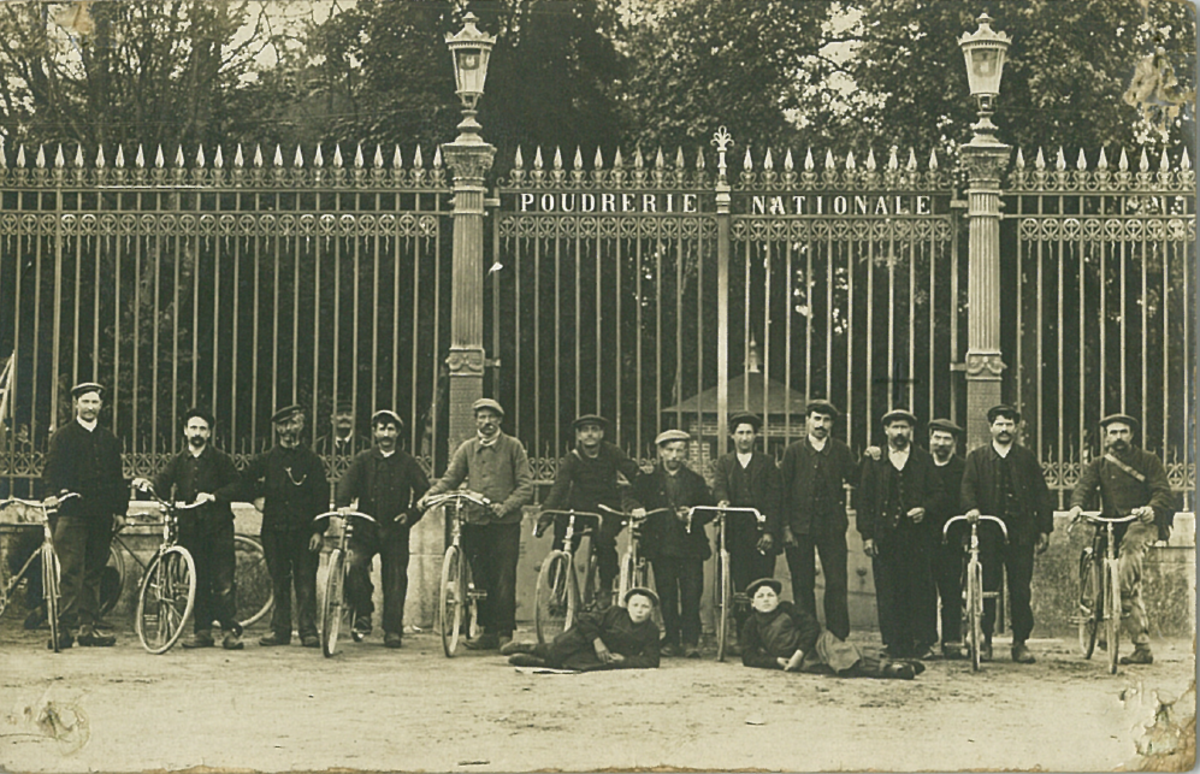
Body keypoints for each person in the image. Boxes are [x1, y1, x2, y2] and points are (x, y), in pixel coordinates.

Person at [419, 398, 534, 650]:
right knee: (480, 579)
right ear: (476, 421)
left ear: (499, 420)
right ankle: (488, 631)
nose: (486, 422)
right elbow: (451, 477)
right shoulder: (467, 448)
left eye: (491, 417)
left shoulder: (513, 447)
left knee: (504, 576)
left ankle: (505, 632)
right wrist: (430, 495)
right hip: (475, 521)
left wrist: (505, 506)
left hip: (505, 524)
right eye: (481, 417)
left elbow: (526, 486)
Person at [1068, 413, 1175, 665]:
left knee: (1128, 572)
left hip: (1141, 524)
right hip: (1112, 525)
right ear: (1106, 437)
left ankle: (1124, 608)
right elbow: (1084, 487)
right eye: (1113, 433)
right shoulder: (1099, 464)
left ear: (1132, 435)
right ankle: (1127, 636)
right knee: (1104, 568)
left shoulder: (1148, 460)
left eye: (1123, 432)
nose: (1118, 438)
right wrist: (1075, 506)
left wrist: (1152, 508)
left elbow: (1162, 491)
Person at [219, 405, 329, 648]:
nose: (288, 430)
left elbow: (322, 497)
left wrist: (319, 530)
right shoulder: (267, 459)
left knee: (305, 580)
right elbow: (241, 481)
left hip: (304, 532)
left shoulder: (312, 461)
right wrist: (255, 497)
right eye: (283, 425)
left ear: (302, 426)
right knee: (279, 580)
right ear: (277, 429)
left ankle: (308, 630)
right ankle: (280, 630)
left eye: (293, 423)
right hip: (274, 531)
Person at [132, 408, 243, 650]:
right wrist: (148, 484)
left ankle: (228, 630)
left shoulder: (220, 459)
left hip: (219, 527)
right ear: (185, 431)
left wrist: (214, 496)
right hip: (191, 528)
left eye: (202, 429)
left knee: (223, 581)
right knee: (198, 580)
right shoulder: (179, 461)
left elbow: (238, 486)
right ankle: (202, 631)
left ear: (209, 433)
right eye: (193, 428)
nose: (197, 433)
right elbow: (162, 482)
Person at [960, 404, 1054, 664]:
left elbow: (1041, 495)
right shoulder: (977, 458)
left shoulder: (1026, 458)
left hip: (1021, 534)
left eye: (1009, 424)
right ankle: (985, 640)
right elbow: (967, 488)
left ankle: (1020, 642)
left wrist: (1044, 529)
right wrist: (972, 509)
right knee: (987, 588)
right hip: (988, 533)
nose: (1004, 429)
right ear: (991, 427)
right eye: (999, 424)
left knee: (1020, 589)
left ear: (1016, 428)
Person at [41, 382, 127, 649]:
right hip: (72, 513)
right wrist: (54, 494)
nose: (90, 407)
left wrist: (120, 511)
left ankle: (88, 628)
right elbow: (51, 471)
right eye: (85, 401)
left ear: (101, 406)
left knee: (94, 572)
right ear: (76, 404)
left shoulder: (109, 439)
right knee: (71, 572)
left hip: (101, 515)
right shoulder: (63, 436)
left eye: (95, 402)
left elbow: (117, 478)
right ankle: (65, 628)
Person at [335, 409, 430, 648]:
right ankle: (364, 612)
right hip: (364, 529)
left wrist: (409, 516)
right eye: (381, 428)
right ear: (375, 432)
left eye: (390, 429)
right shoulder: (363, 459)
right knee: (354, 566)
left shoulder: (408, 462)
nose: (386, 434)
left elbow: (424, 495)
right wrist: (343, 505)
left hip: (395, 531)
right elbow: (346, 485)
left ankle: (392, 630)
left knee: (395, 578)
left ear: (398, 432)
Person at [856, 410, 942, 659]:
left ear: (911, 431)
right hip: (885, 536)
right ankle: (893, 643)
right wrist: (867, 536)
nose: (900, 433)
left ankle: (922, 643)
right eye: (895, 427)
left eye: (905, 428)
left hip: (917, 537)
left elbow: (938, 493)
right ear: (886, 430)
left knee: (921, 588)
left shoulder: (923, 459)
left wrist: (925, 509)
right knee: (888, 590)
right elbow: (864, 500)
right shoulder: (875, 460)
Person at [538, 414, 641, 608]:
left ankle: (605, 586)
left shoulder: (612, 452)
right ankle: (559, 587)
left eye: (594, 430)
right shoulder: (572, 458)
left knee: (604, 540)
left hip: (606, 508)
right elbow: (559, 487)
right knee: (562, 538)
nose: (590, 434)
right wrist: (546, 514)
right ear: (578, 435)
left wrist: (635, 501)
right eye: (585, 430)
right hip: (578, 507)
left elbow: (634, 474)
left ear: (601, 433)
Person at [629, 429, 715, 658]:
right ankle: (671, 639)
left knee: (691, 593)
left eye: (679, 450)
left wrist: (693, 515)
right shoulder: (647, 480)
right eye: (669, 450)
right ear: (660, 452)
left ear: (685, 453)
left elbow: (709, 510)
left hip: (690, 547)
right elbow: (630, 498)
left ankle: (690, 641)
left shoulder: (695, 481)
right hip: (661, 547)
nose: (674, 455)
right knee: (666, 594)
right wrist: (635, 508)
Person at [778, 400, 858, 640]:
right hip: (800, 528)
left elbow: (856, 478)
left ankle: (837, 637)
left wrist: (869, 458)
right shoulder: (793, 451)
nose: (821, 425)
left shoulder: (841, 450)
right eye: (816, 419)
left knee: (836, 582)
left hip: (832, 528)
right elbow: (782, 491)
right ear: (807, 421)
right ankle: (807, 636)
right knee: (802, 585)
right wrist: (786, 527)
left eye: (826, 420)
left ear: (831, 424)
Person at [739, 578, 921, 679]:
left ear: (777, 599)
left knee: (840, 654)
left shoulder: (786, 608)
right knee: (841, 660)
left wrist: (799, 653)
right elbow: (748, 656)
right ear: (753, 603)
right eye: (760, 596)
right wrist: (776, 661)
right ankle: (895, 665)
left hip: (816, 644)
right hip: (797, 659)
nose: (766, 599)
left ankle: (889, 670)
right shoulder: (751, 624)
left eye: (770, 595)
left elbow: (811, 626)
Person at [711, 412, 781, 655]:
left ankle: (764, 637)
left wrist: (770, 531)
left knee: (761, 584)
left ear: (756, 436)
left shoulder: (767, 462)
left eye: (749, 433)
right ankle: (743, 638)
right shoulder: (724, 462)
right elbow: (719, 485)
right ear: (732, 436)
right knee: (740, 587)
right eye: (740, 433)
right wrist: (722, 500)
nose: (744, 438)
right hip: (734, 533)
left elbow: (775, 499)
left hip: (760, 532)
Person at [500, 587, 661, 671]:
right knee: (567, 643)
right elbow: (585, 618)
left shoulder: (651, 631)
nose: (639, 610)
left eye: (645, 607)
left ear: (651, 610)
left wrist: (625, 660)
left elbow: (652, 660)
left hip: (603, 656)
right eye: (635, 605)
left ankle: (537, 662)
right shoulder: (614, 613)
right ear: (627, 606)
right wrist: (597, 641)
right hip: (588, 641)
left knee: (587, 664)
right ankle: (529, 647)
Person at [926, 418, 968, 659]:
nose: (941, 443)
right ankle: (928, 640)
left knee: (951, 590)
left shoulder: (963, 467)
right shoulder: (921, 464)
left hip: (952, 536)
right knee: (925, 591)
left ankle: (952, 640)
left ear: (954, 442)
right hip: (924, 538)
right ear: (930, 440)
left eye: (947, 439)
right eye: (937, 438)